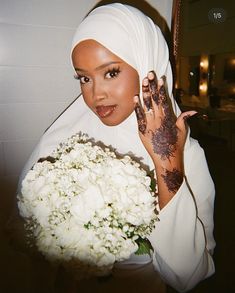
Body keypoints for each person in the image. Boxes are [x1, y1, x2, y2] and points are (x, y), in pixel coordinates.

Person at [17, 3, 215, 293]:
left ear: (146, 65)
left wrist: (166, 161)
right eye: (84, 78)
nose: (96, 94)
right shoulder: (64, 137)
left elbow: (189, 276)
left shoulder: (187, 155)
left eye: (110, 72)